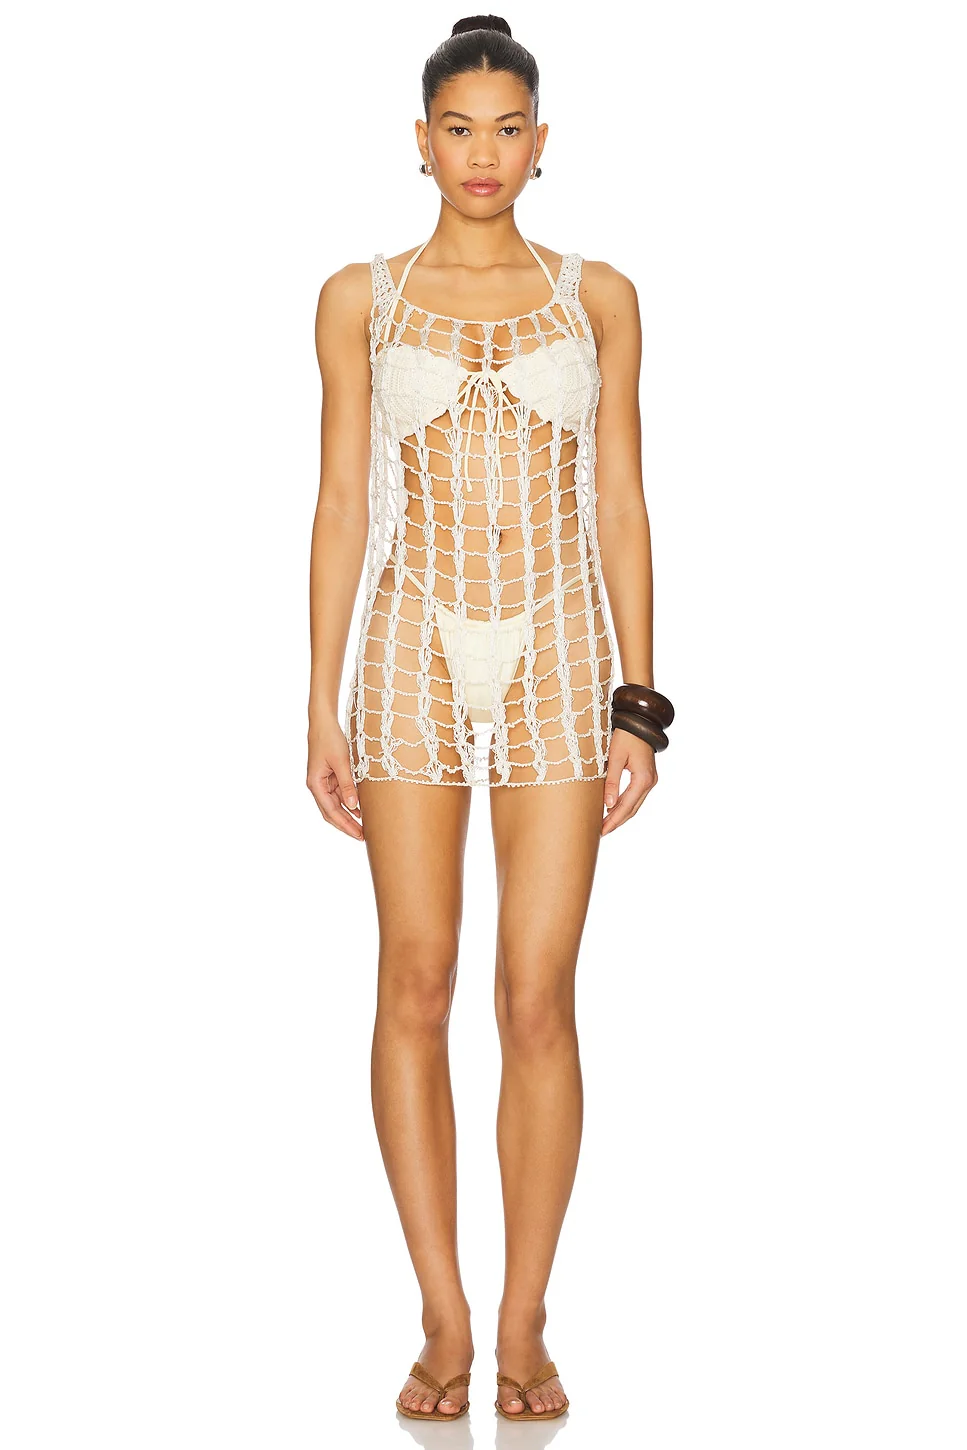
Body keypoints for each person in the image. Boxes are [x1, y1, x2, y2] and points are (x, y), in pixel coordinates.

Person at [307, 14, 670, 1422]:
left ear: (540, 141)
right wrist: (320, 698)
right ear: (420, 142)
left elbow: (622, 499)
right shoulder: (360, 296)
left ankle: (525, 1318)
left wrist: (640, 702)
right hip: (408, 647)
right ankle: (441, 1315)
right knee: (414, 978)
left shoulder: (600, 296)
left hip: (561, 655)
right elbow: (343, 502)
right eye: (457, 128)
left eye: (506, 129)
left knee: (537, 994)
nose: (481, 153)